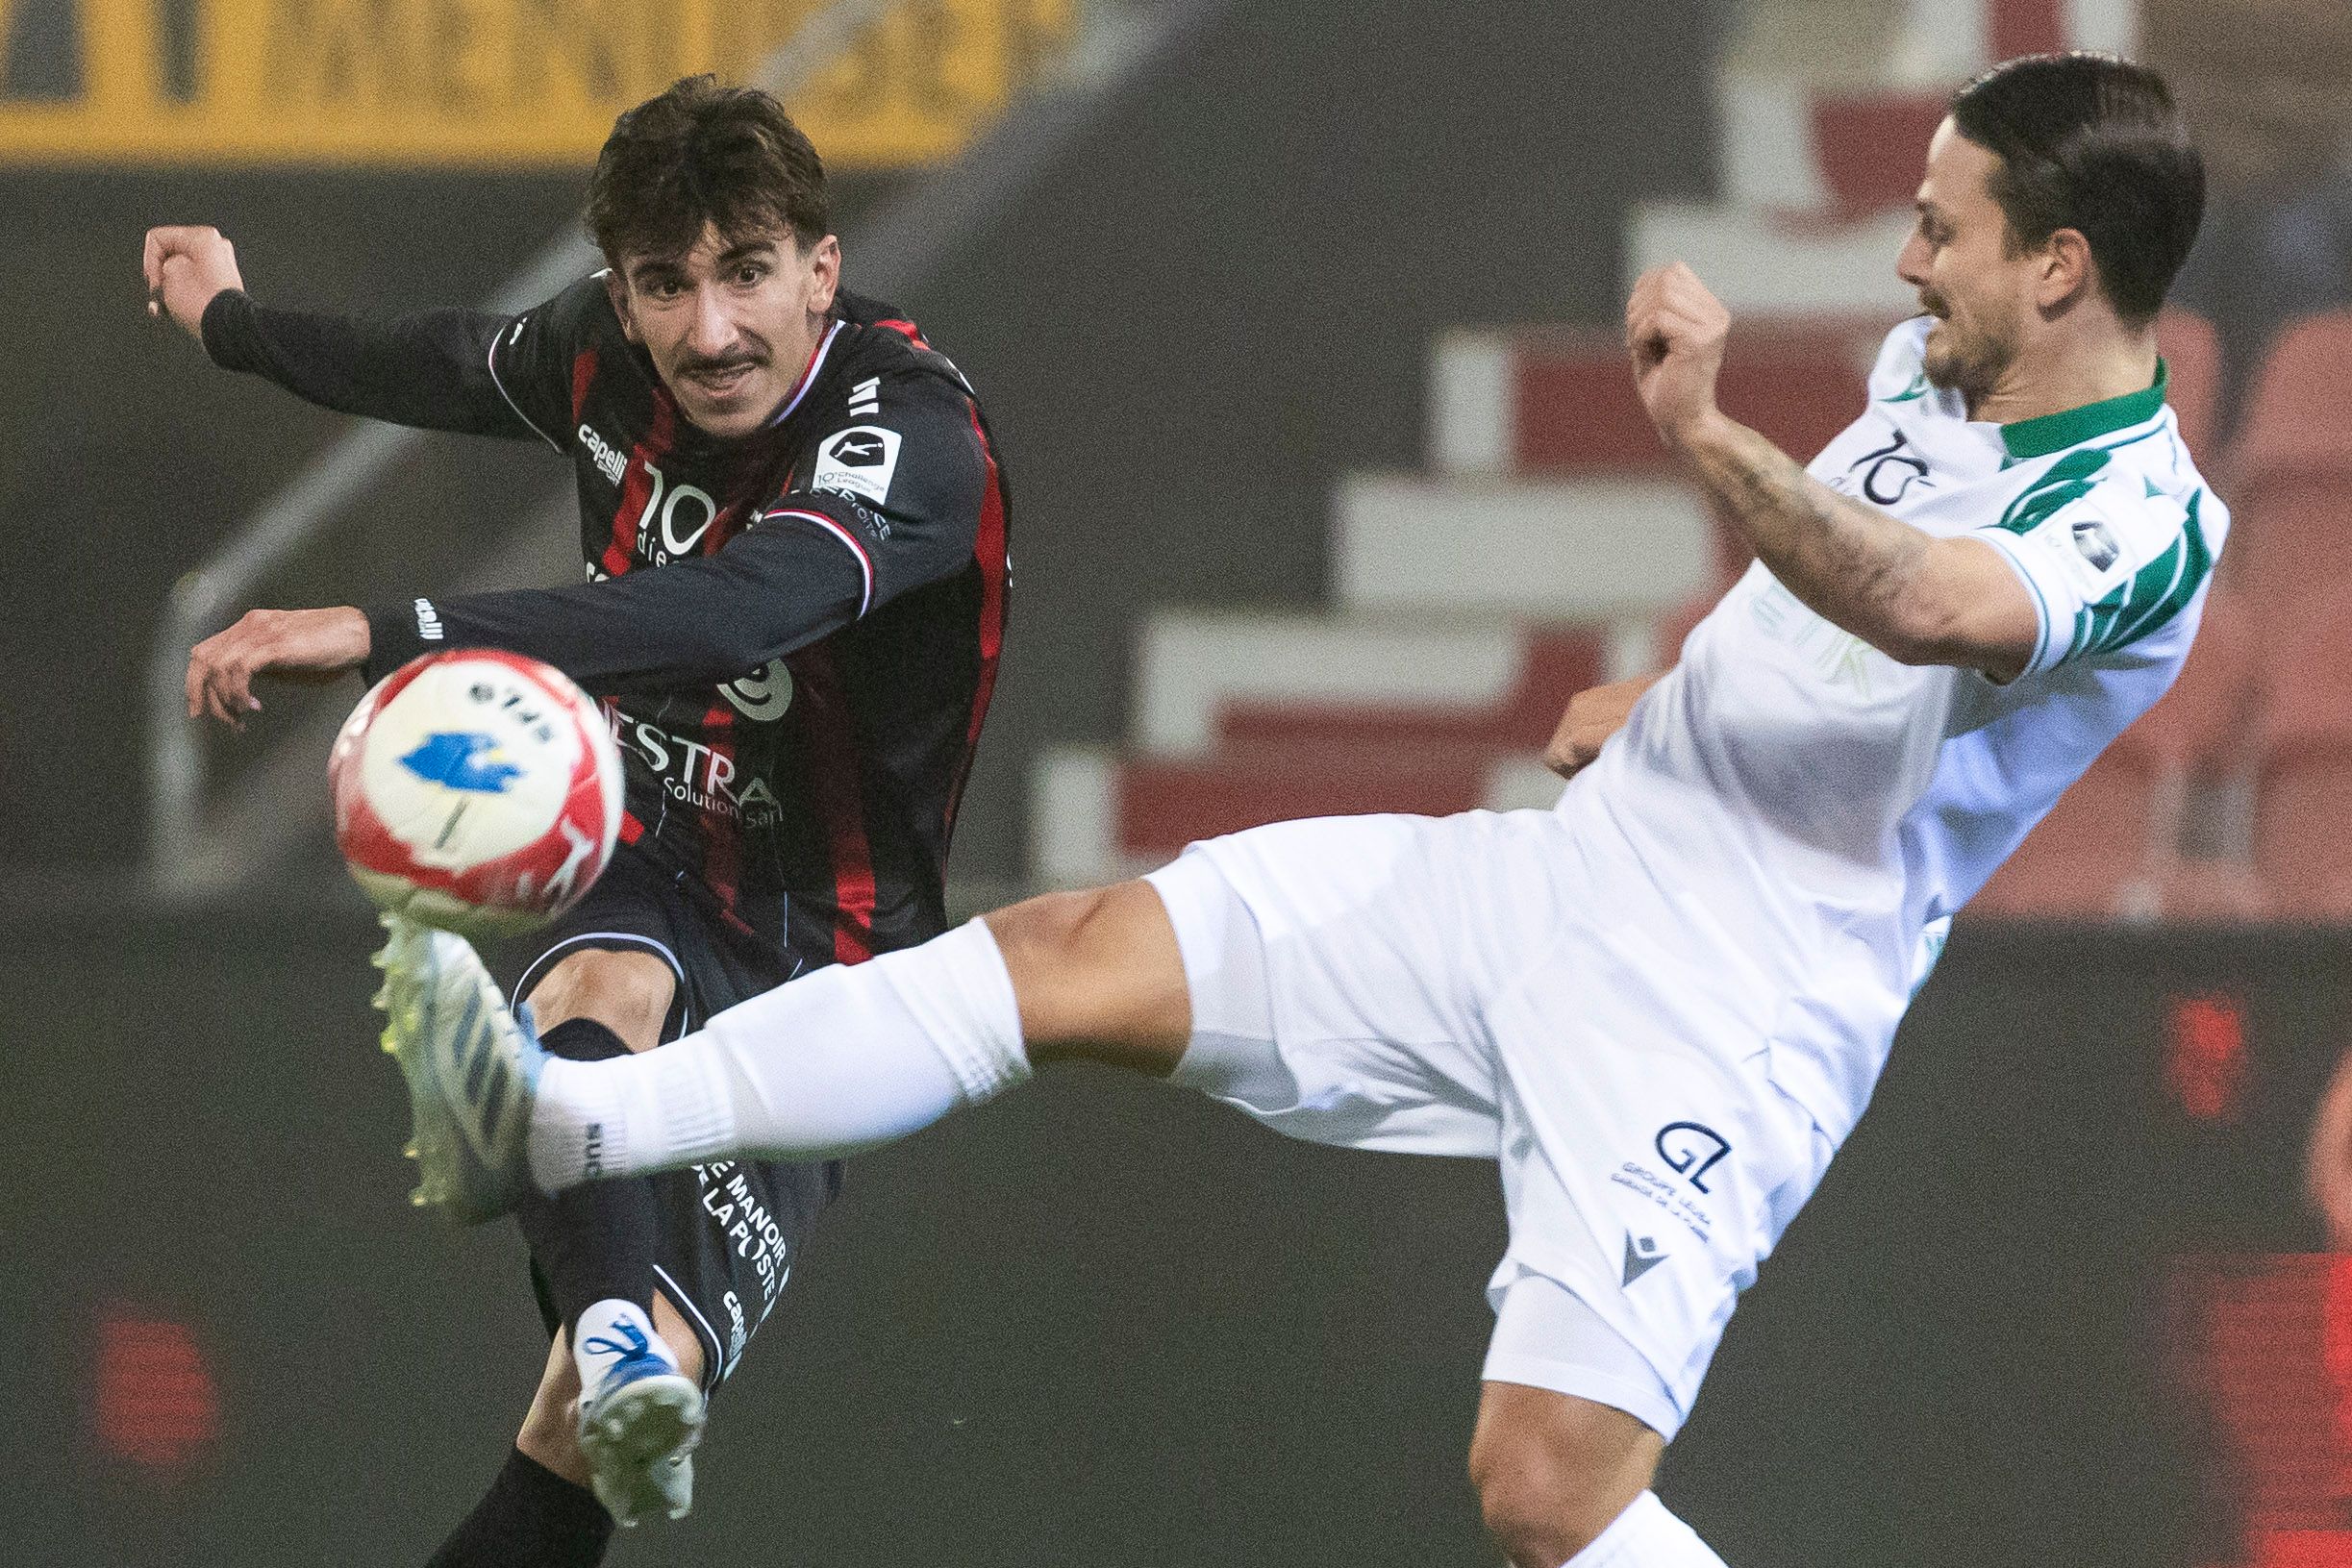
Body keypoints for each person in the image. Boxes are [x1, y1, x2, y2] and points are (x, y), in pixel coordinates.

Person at [376, 51, 2210, 1567]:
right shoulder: (1928, 376)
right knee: (1064, 953)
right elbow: (1862, 641)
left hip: (1730, 1003)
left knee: (1549, 1493)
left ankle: (574, 1123)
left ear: (2056, 268)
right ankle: (571, 1125)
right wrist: (1670, 696)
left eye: (1940, 228)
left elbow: (1931, 605)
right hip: (1561, 879)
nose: (1902, 263)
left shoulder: (2149, 520)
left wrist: (1704, 434)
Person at [145, 74, 1010, 1561]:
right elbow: (446, 361)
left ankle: (617, 1339)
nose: (709, 329)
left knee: (590, 1432)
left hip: (837, 953)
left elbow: (732, 606)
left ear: (820, 265)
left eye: (746, 273)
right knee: (595, 993)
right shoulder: (603, 352)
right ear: (619, 286)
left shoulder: (911, 436)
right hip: (656, 855)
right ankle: (609, 1315)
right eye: (663, 285)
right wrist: (236, 326)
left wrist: (388, 626)